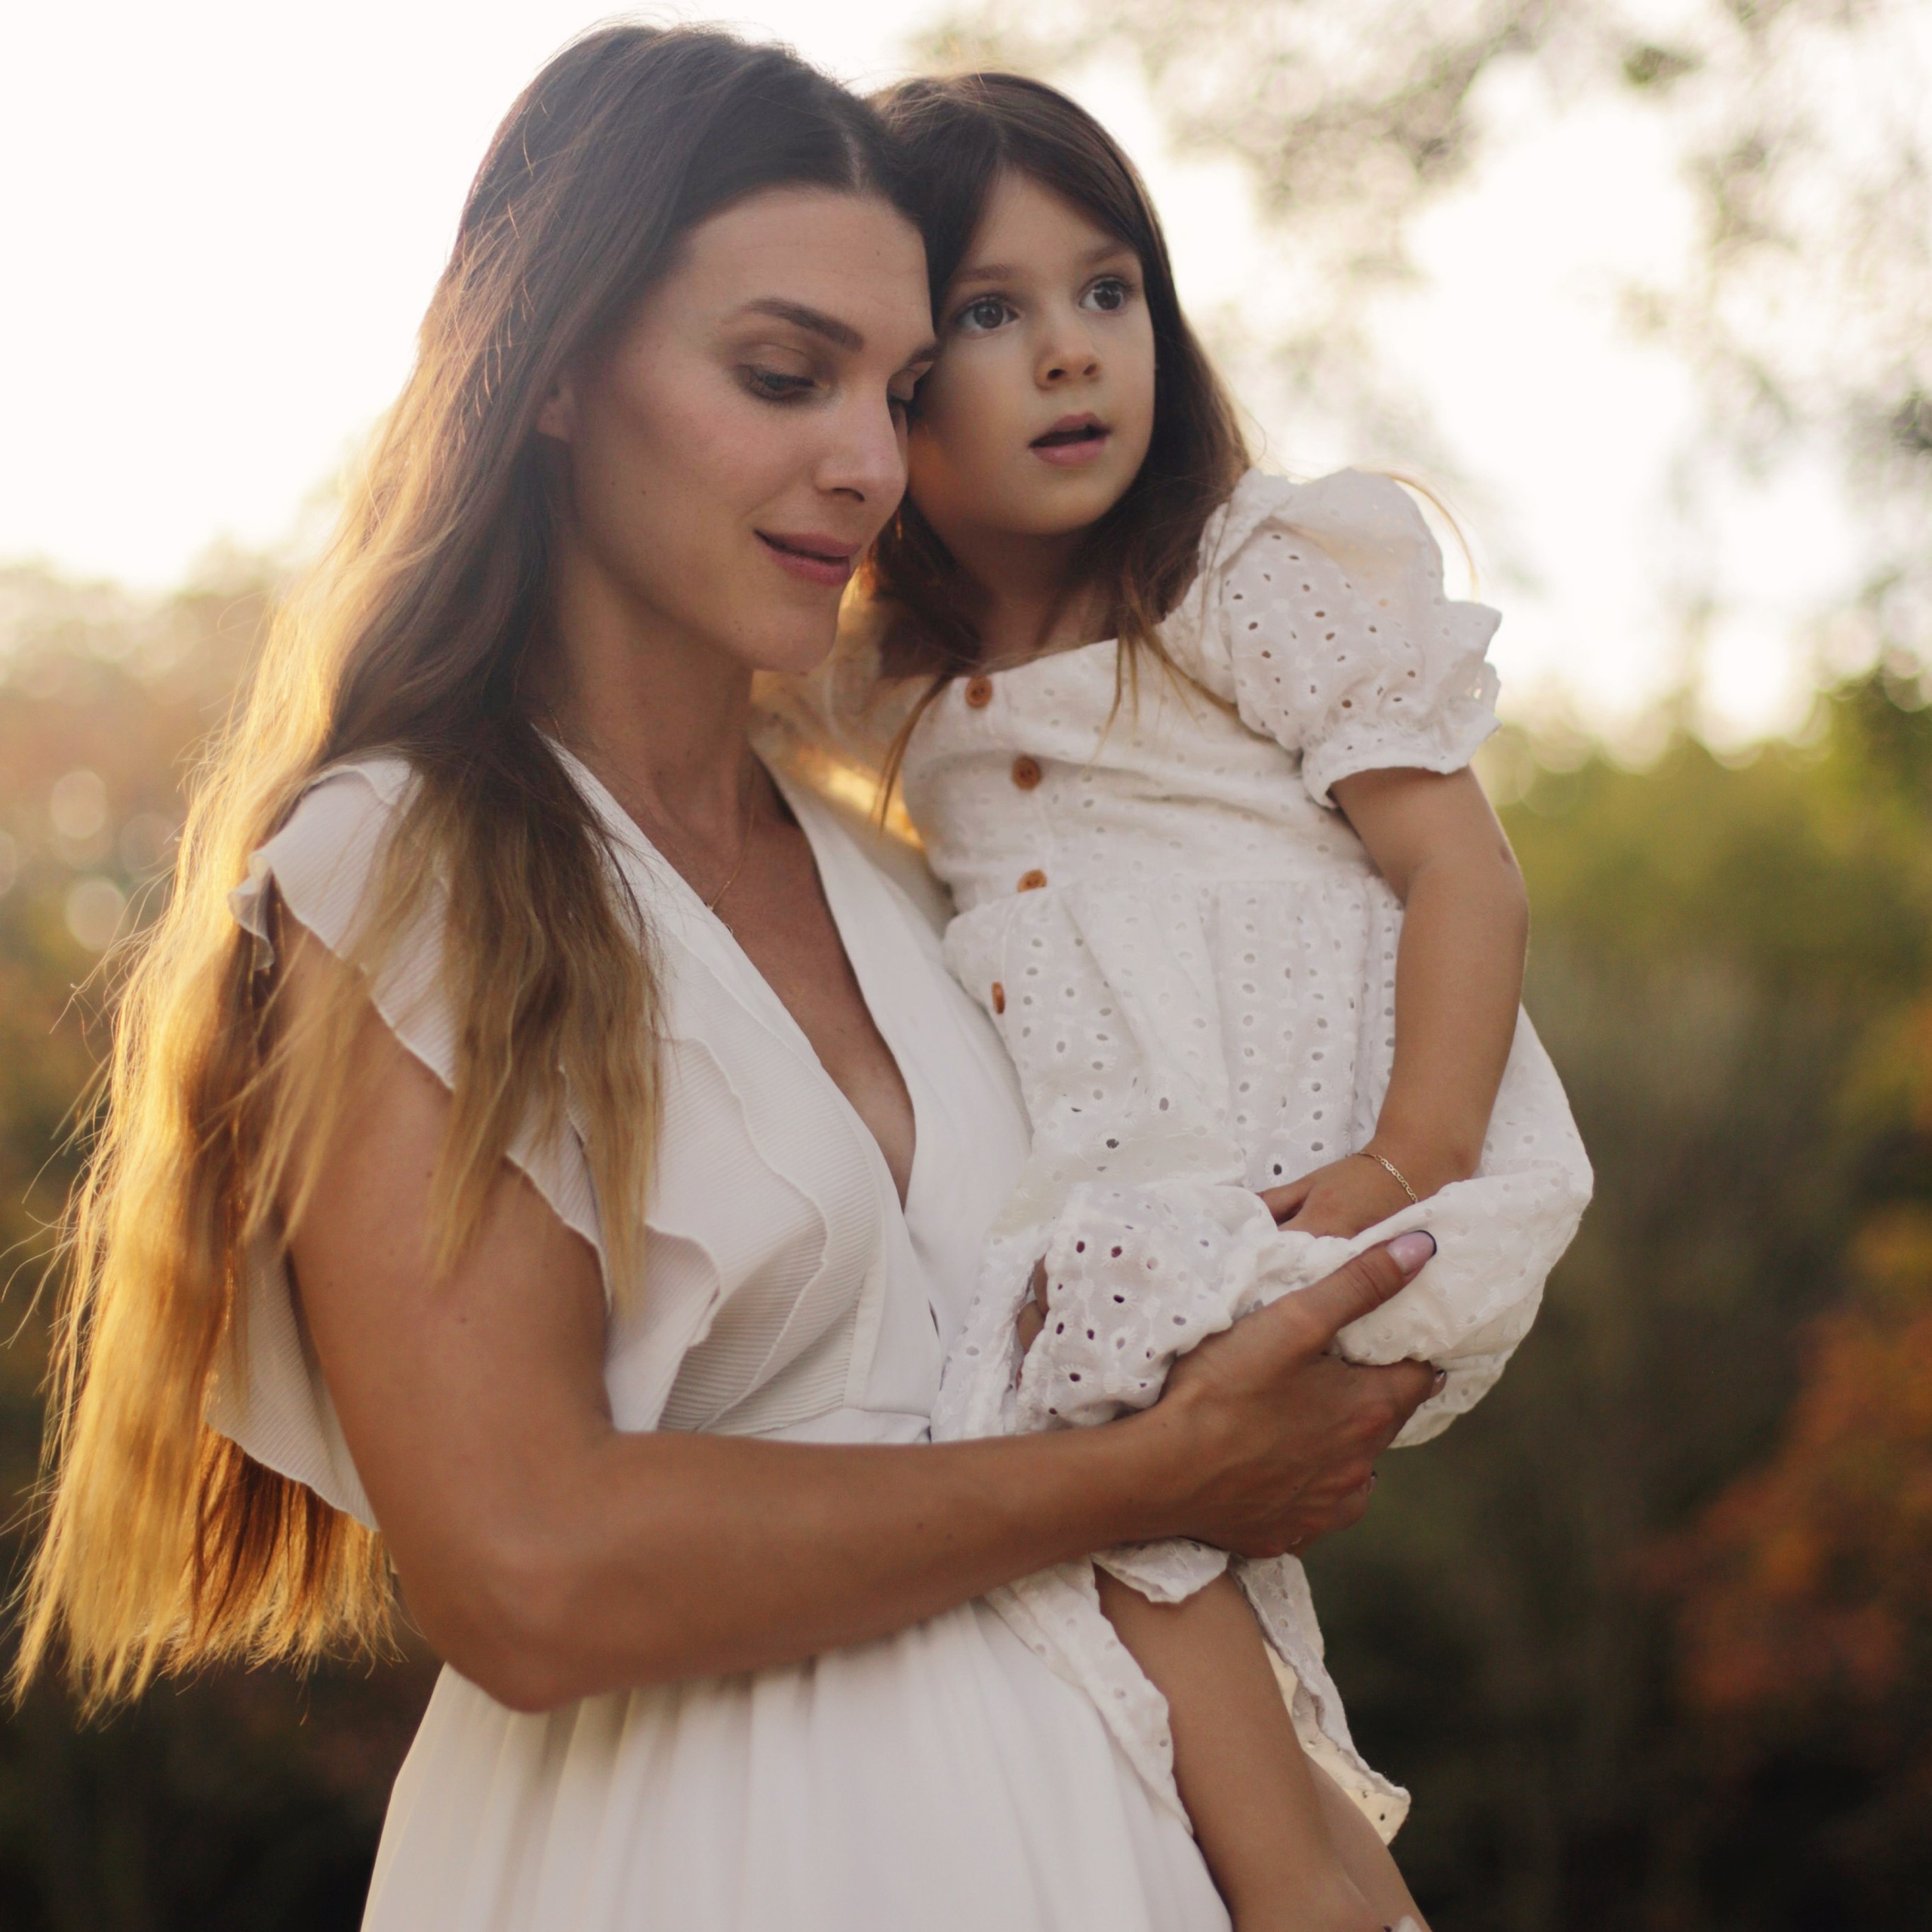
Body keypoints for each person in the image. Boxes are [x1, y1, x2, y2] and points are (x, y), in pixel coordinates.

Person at [13, 26, 1446, 1930]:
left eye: (904, 386)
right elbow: (525, 1568)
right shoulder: (410, 866)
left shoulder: (905, 870)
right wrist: (1147, 1474)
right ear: (549, 371)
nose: (865, 462)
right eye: (783, 374)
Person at [804, 72, 1594, 1932]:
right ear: (895, 372)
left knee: (1082, 1481)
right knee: (1121, 1521)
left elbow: (1460, 871)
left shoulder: (1232, 578)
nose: (1070, 353)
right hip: (1156, 1204)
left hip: (1356, 1173)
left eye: (1107, 291)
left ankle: (1296, 1903)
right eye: (990, 314)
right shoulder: (891, 696)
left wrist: (1404, 1152)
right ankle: (1338, 1889)